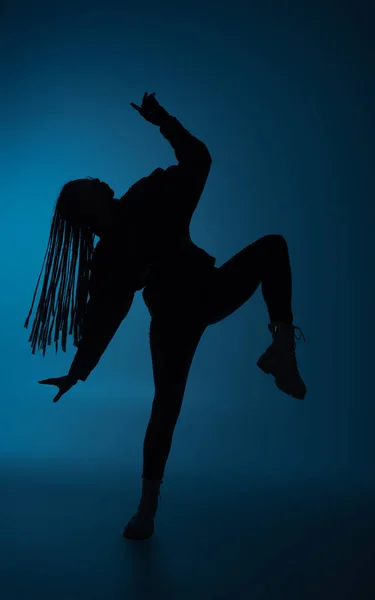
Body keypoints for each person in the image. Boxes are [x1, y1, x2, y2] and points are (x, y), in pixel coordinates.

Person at [25, 92, 307, 541]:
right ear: (89, 213)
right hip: (175, 319)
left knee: (273, 247)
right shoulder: (113, 253)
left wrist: (165, 122)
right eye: (87, 184)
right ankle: (147, 507)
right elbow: (106, 319)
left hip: (207, 291)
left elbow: (199, 161)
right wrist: (77, 372)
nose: (97, 178)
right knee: (166, 406)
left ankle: (282, 350)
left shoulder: (145, 199)